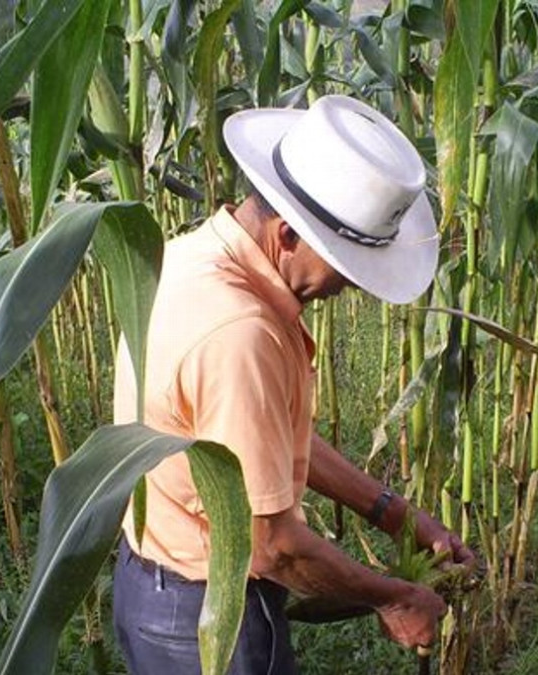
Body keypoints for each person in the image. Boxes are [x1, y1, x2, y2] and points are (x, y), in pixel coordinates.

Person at [112, 95, 475, 674]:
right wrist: (395, 597)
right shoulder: (241, 335)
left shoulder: (189, 255)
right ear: (286, 235)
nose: (350, 286)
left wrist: (396, 515)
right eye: (345, 262)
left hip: (150, 585)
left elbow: (261, 439)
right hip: (209, 618)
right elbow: (271, 545)